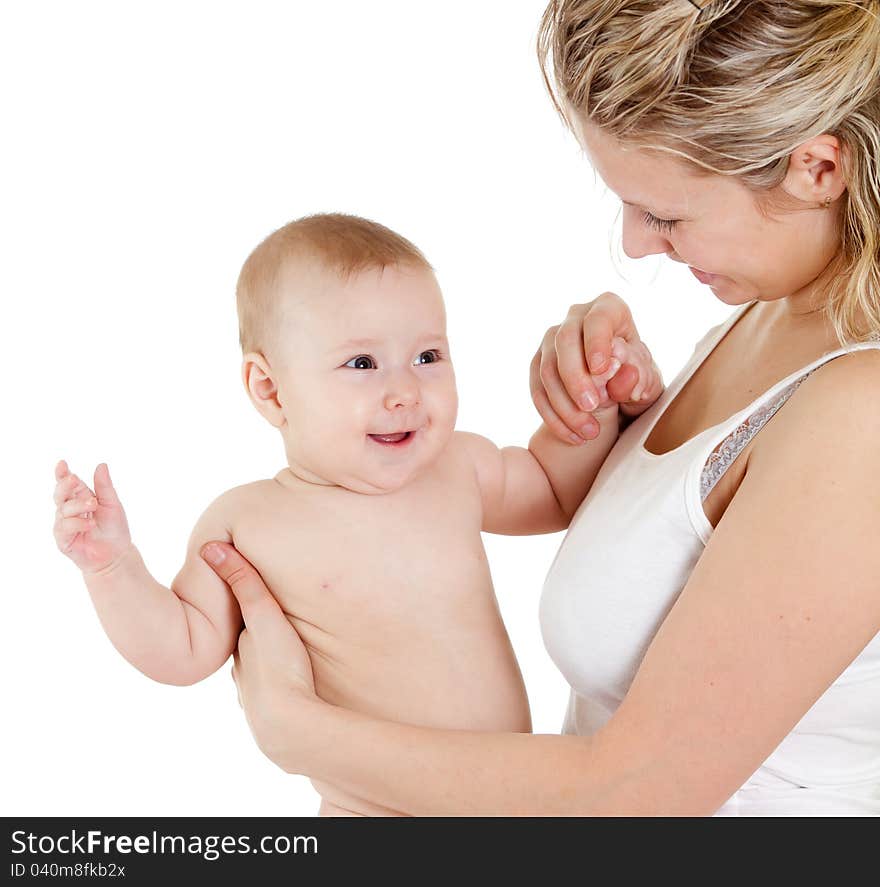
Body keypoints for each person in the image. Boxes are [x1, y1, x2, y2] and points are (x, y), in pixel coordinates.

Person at [197, 0, 880, 815]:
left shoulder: (861, 414)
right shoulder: (767, 316)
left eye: (665, 214)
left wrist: (297, 732)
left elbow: (636, 796)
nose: (633, 242)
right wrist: (609, 424)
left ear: (818, 168)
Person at [52, 213, 659, 816]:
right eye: (363, 364)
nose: (404, 391)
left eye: (427, 355)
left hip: (505, 800)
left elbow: (556, 488)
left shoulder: (456, 467)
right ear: (270, 390)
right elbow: (182, 648)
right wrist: (112, 570)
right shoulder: (248, 523)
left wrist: (598, 402)